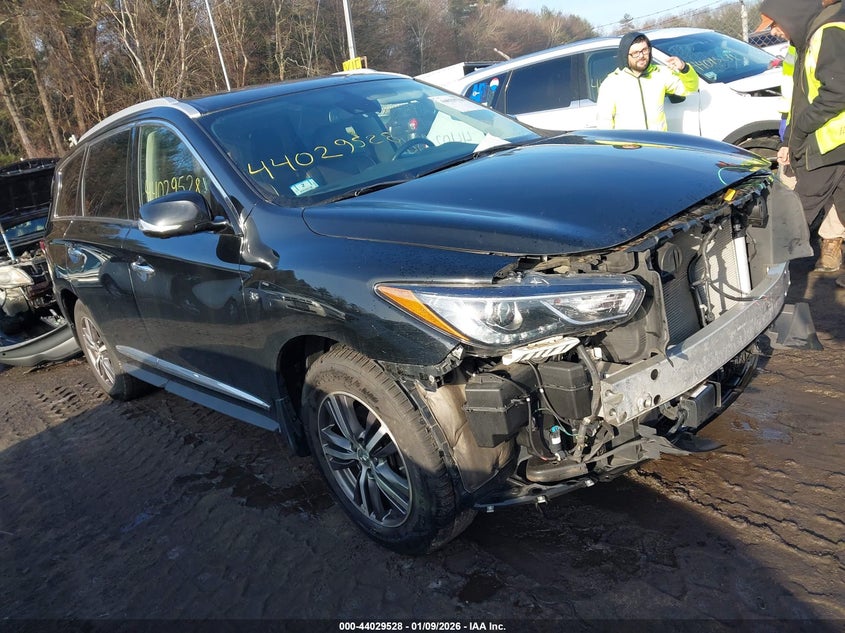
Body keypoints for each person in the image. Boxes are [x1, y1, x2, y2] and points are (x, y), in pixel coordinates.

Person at [758, 0, 845, 287]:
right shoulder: (809, 37)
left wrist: (800, 135)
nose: (774, 32)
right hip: (827, 140)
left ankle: (767, 278)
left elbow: (835, 93)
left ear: (790, 15)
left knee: (796, 207)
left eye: (774, 24)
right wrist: (789, 140)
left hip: (830, 142)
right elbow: (801, 97)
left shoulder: (828, 32)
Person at [596, 32, 699, 131]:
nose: (641, 56)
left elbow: (689, 89)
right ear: (625, 55)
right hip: (629, 148)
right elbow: (604, 124)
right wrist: (617, 147)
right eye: (636, 53)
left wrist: (684, 69)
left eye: (644, 50)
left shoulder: (660, 74)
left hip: (658, 145)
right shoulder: (611, 83)